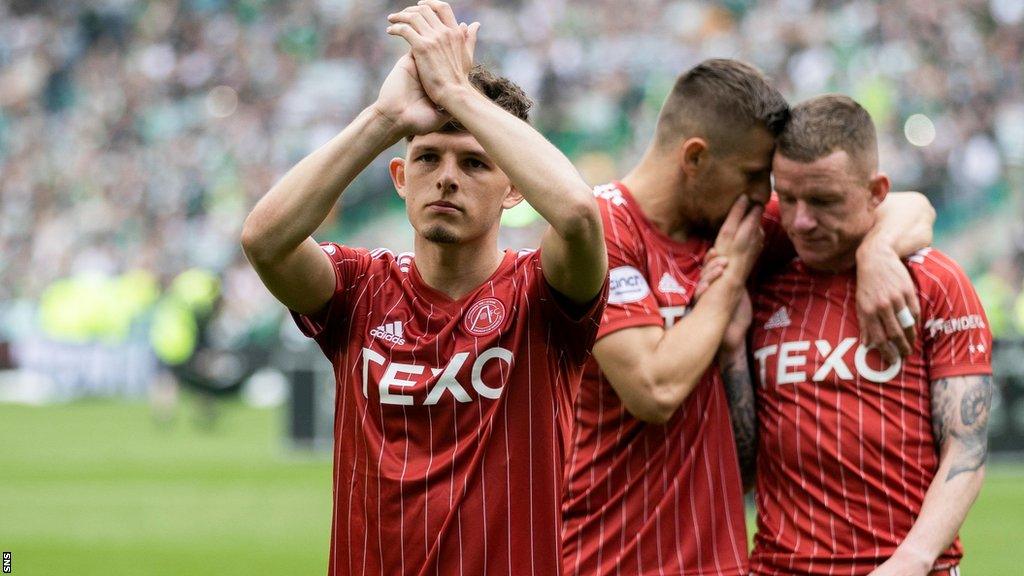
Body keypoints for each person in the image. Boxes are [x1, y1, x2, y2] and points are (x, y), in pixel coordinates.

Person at [241, 2, 608, 574]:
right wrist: (385, 118)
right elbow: (265, 239)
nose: (446, 177)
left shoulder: (542, 293)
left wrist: (459, 94)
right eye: (428, 157)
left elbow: (581, 216)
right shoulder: (357, 288)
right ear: (400, 177)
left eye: (476, 165)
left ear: (515, 190)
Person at [561, 59, 937, 576]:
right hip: (608, 557)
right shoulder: (602, 229)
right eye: (754, 175)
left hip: (722, 563)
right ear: (695, 157)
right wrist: (729, 282)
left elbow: (906, 206)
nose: (766, 194)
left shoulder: (735, 224)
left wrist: (877, 253)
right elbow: (654, 389)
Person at [740, 95, 993, 575]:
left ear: (877, 191)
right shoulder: (764, 276)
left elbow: (966, 449)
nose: (800, 221)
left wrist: (912, 561)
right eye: (787, 198)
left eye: (824, 201)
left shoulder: (935, 283)